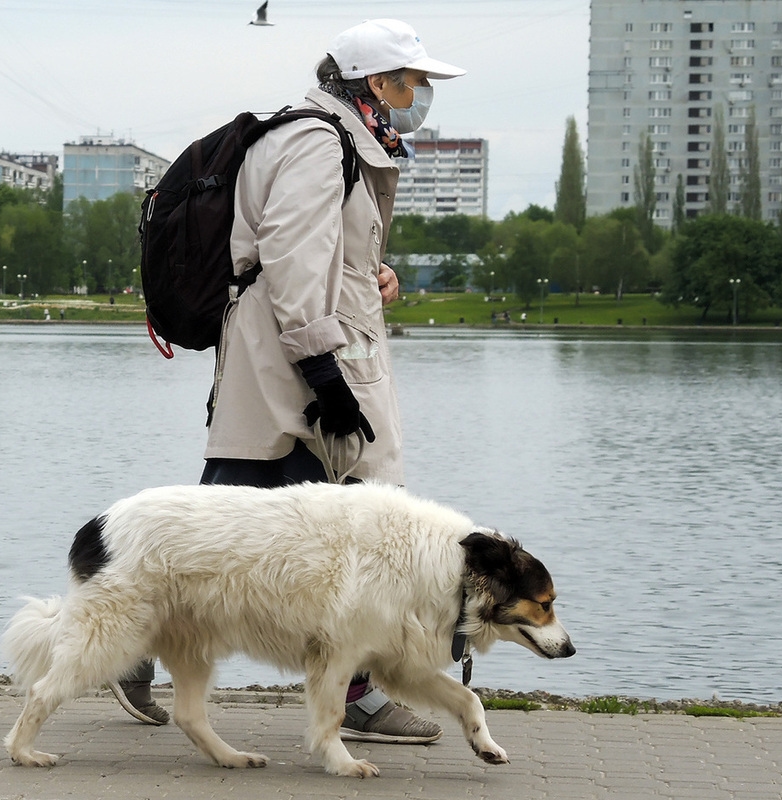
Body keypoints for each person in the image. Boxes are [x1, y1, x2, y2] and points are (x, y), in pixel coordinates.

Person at [110, 19, 464, 744]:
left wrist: (372, 276)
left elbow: (320, 253)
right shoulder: (315, 141)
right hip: (294, 369)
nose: (422, 93)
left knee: (262, 527)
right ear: (376, 83)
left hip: (295, 360)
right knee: (337, 525)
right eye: (415, 80)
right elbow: (292, 258)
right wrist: (321, 371)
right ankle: (354, 694)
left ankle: (137, 646)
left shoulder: (340, 139)